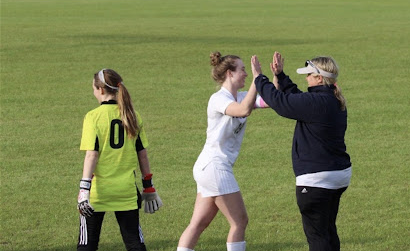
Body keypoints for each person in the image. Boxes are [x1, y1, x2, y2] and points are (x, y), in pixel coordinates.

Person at [254, 52, 352, 251]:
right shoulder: (330, 99)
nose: (306, 78)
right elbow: (297, 98)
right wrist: (281, 76)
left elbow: (280, 102)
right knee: (328, 231)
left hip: (317, 180)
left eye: (308, 74)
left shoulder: (316, 103)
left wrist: (259, 78)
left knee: (317, 238)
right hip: (338, 175)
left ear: (318, 78)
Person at [177, 53, 268, 251]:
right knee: (239, 221)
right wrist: (257, 78)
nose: (245, 73)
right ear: (229, 73)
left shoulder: (242, 96)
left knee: (198, 224)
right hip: (214, 167)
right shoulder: (218, 99)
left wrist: (276, 76)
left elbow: (269, 101)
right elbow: (243, 110)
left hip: (209, 168)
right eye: (242, 69)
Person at [77, 68, 163, 250]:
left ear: (100, 90)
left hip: (97, 192)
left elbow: (92, 155)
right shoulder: (132, 115)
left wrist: (84, 189)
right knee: (134, 243)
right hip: (126, 191)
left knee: (87, 244)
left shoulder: (93, 117)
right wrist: (148, 186)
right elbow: (143, 153)